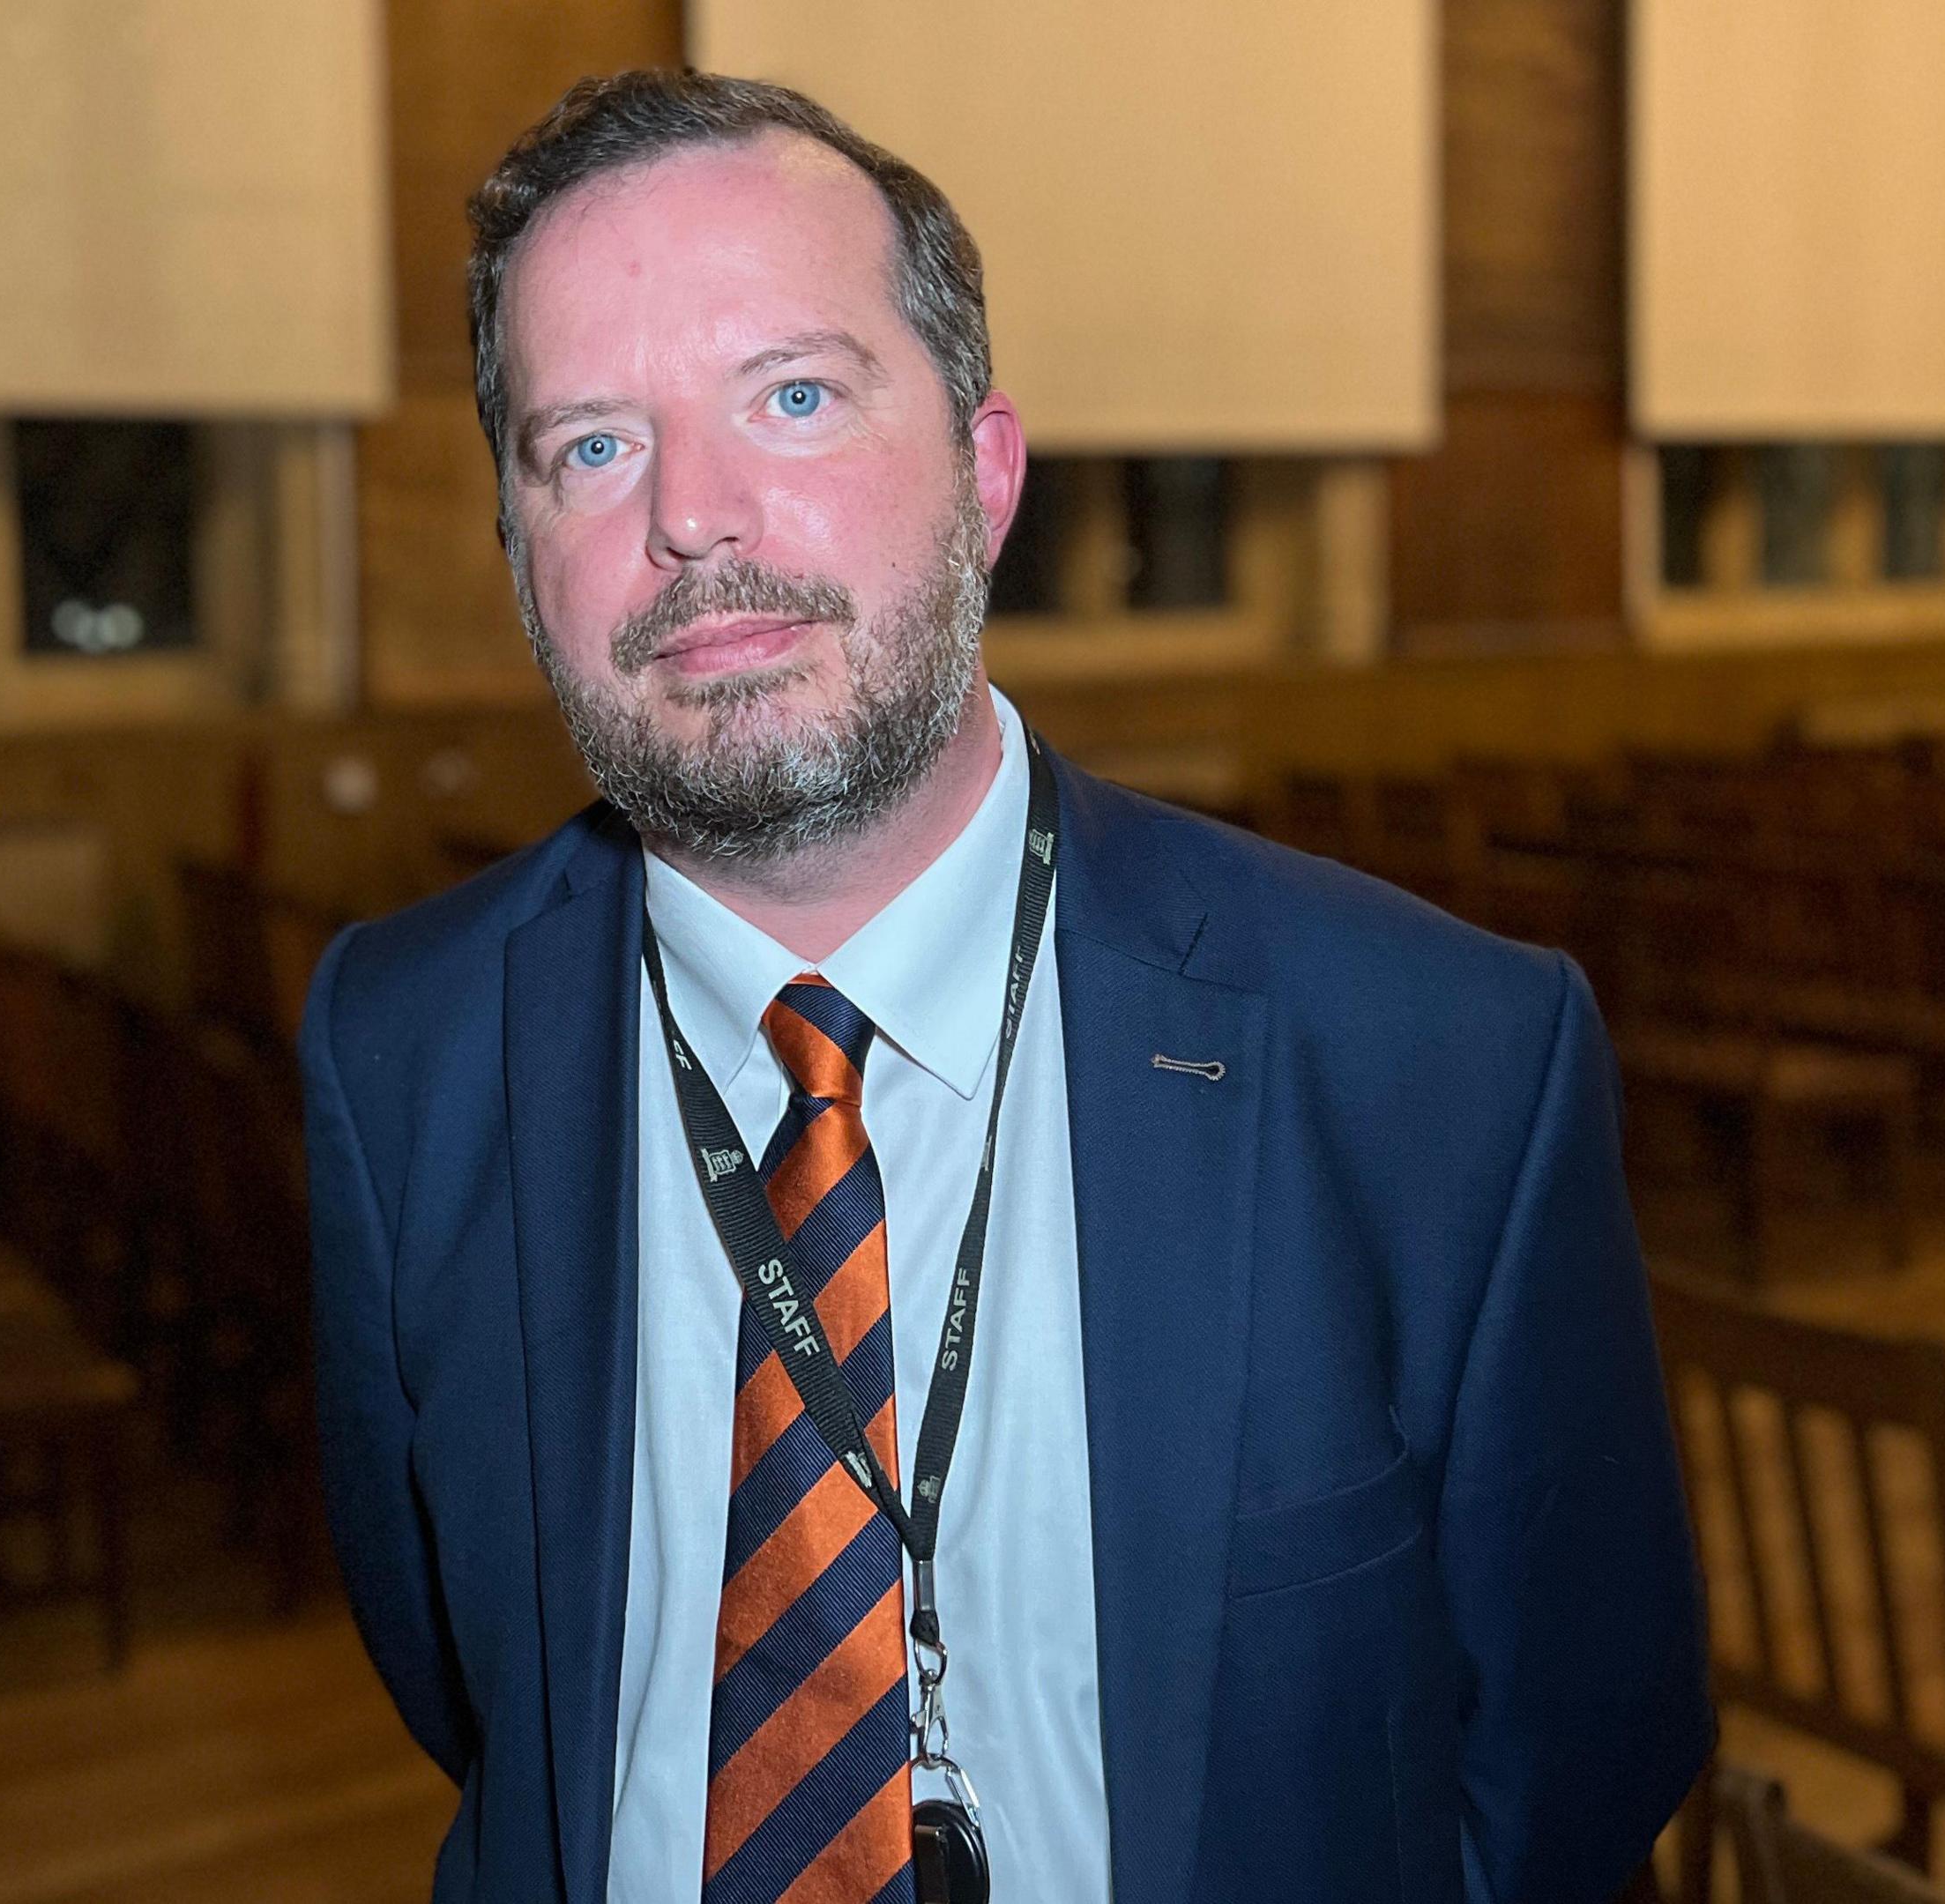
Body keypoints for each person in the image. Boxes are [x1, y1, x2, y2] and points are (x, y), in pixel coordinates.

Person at [302, 68, 1710, 1904]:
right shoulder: (402, 1052)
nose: (695, 520)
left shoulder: (1438, 1062)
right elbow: (476, 1682)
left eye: (792, 397)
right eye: (592, 447)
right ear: (517, 556)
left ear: (985, 476)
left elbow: (1579, 1763)